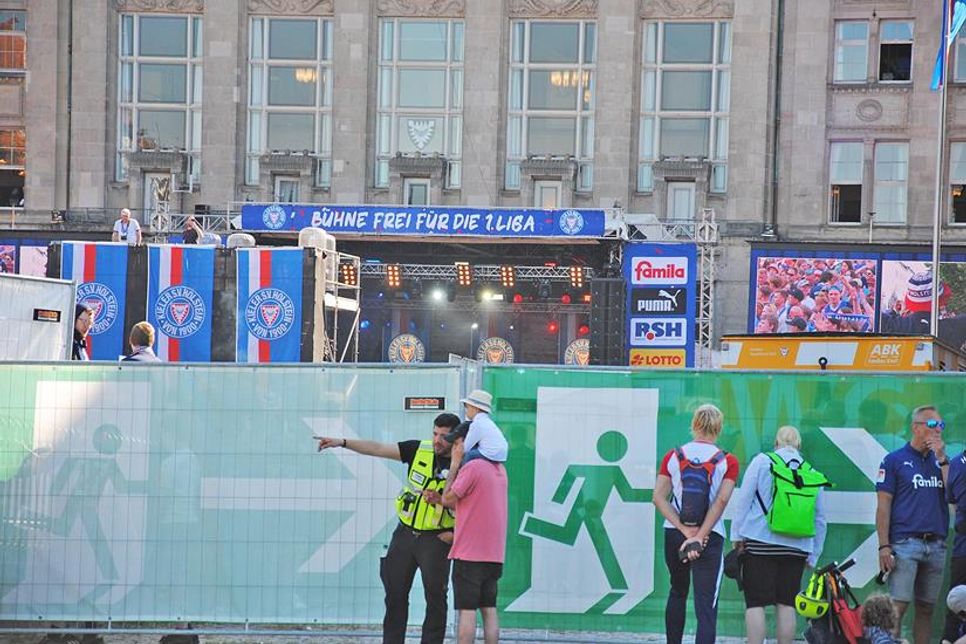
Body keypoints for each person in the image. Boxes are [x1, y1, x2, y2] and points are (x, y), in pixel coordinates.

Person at [315, 412, 460, 644]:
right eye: (434, 433)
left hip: (436, 539)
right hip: (405, 534)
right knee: (395, 595)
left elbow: (473, 507)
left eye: (444, 436)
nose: (437, 440)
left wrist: (455, 535)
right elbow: (377, 448)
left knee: (435, 599)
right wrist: (342, 442)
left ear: (456, 438)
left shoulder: (463, 463)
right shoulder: (418, 449)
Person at [729, 426, 829, 644]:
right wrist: (814, 554)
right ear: (799, 446)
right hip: (797, 547)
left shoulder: (762, 461)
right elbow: (820, 519)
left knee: (755, 603)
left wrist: (736, 535)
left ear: (776, 444)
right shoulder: (811, 472)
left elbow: (743, 500)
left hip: (760, 543)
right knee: (786, 603)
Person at [653, 404, 739, 644]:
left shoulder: (673, 456)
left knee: (677, 591)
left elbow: (658, 497)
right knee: (706, 606)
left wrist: (684, 530)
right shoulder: (728, 461)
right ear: (719, 428)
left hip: (675, 534)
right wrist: (700, 535)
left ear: (694, 425)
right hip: (710, 537)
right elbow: (721, 501)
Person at [876, 405, 950, 644]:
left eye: (941, 424)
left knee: (927, 608)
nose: (938, 429)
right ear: (916, 428)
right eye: (931, 424)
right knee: (898, 606)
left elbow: (953, 494)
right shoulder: (894, 460)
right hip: (905, 543)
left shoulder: (943, 462)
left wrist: (942, 458)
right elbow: (883, 505)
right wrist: (884, 546)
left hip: (936, 544)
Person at [439, 423, 509, 644]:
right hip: (494, 554)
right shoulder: (499, 468)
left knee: (467, 612)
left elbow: (447, 499)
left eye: (458, 442)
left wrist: (454, 464)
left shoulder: (473, 467)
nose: (455, 447)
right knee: (489, 610)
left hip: (469, 554)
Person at [945, 449, 966, 643]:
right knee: (956, 604)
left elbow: (952, 503)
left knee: (955, 606)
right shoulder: (958, 463)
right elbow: (952, 502)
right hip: (963, 549)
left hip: (962, 548)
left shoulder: (958, 462)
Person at [459, 389, 508, 464]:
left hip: (490, 454)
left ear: (476, 408)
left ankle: (461, 473)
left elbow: (466, 448)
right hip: (501, 455)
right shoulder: (488, 422)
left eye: (467, 407)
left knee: (469, 455)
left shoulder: (477, 424)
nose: (466, 410)